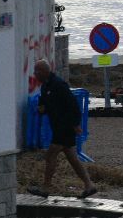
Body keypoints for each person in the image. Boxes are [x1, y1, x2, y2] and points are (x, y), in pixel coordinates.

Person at [30, 60, 96, 199]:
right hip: (58, 126)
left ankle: (46, 188)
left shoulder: (59, 84)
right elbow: (46, 104)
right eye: (35, 71)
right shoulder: (45, 86)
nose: (35, 74)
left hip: (65, 126)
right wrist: (42, 109)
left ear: (46, 71)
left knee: (51, 154)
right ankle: (89, 185)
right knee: (72, 158)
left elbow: (72, 105)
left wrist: (76, 124)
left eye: (38, 71)